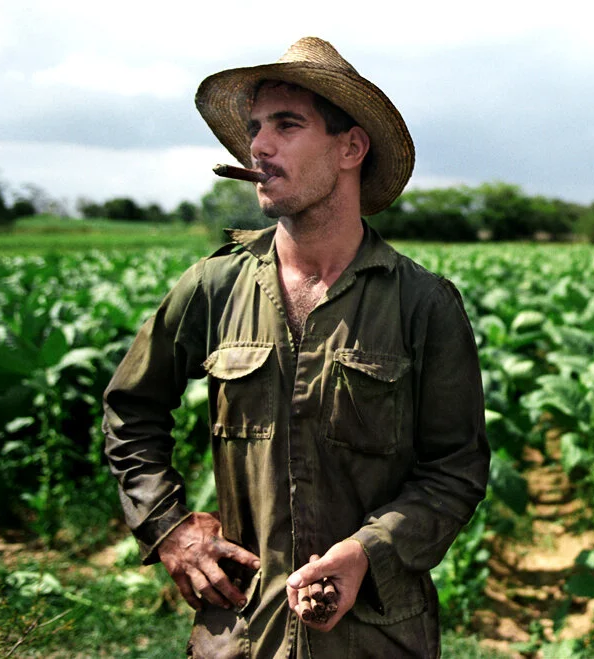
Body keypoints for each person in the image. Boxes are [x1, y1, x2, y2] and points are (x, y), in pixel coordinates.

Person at [103, 36, 490, 658]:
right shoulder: (215, 284)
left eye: (287, 124)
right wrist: (170, 528)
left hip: (375, 638)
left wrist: (370, 553)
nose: (258, 145)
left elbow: (456, 470)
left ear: (350, 148)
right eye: (256, 127)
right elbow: (131, 409)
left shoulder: (423, 304)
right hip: (239, 634)